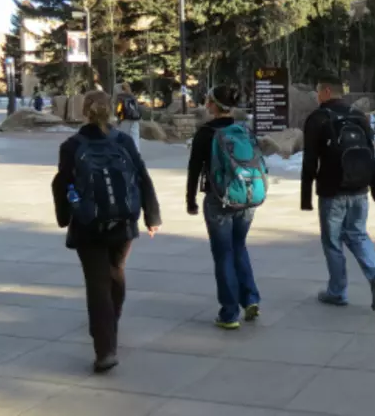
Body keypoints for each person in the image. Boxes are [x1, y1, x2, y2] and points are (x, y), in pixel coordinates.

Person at [51, 90, 162, 373]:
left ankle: (105, 350)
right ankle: (113, 318)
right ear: (112, 111)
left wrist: (65, 217)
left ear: (84, 111)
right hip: (122, 223)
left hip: (88, 226)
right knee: (116, 271)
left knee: (97, 284)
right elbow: (142, 176)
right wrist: (152, 216)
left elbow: (62, 183)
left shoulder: (72, 146)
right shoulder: (123, 141)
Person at [301, 73, 375, 310]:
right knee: (358, 234)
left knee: (332, 242)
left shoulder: (317, 118)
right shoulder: (359, 116)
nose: (317, 96)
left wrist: (306, 197)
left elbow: (310, 161)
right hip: (360, 188)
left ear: (327, 91)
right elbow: (373, 154)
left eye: (319, 91)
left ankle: (337, 291)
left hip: (332, 191)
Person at [186, 85, 262, 329]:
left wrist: (190, 200)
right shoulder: (242, 130)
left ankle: (229, 313)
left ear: (213, 105)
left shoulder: (206, 133)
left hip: (218, 199)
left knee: (223, 253)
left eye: (208, 100)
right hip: (246, 196)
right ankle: (250, 298)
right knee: (239, 246)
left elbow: (194, 169)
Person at [114, 82, 142, 151]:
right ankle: (136, 152)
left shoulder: (120, 98)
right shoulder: (132, 96)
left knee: (124, 136)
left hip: (125, 119)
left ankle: (125, 152)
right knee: (135, 136)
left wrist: (119, 119)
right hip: (135, 118)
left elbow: (119, 110)